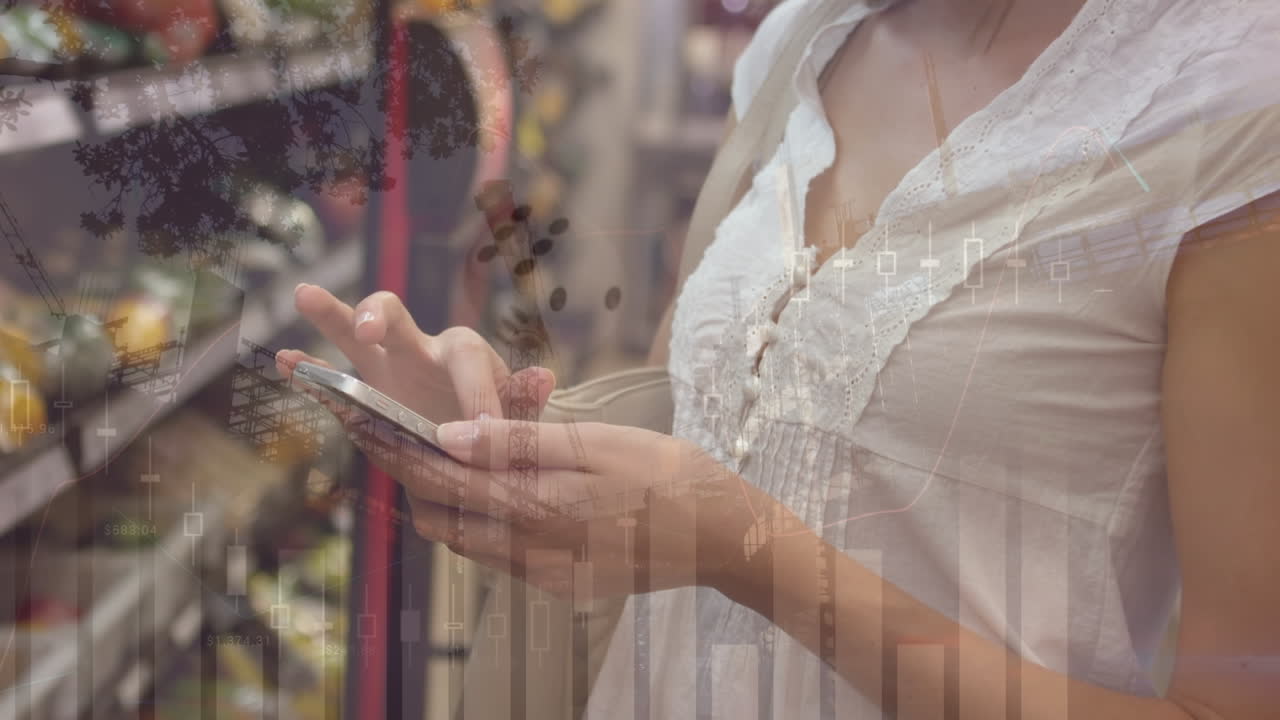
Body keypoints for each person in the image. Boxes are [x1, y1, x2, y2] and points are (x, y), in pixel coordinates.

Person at [278, 0, 1280, 717]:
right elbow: (700, 417)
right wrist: (501, 437)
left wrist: (754, 558)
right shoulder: (802, 41)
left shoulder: (1232, 112)